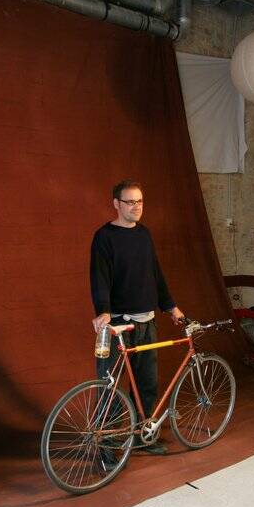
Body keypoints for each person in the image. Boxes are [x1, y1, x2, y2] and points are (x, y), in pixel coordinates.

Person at [90, 179, 184, 455]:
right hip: (118, 324)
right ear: (116, 204)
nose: (136, 207)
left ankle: (143, 437)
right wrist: (103, 310)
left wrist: (171, 307)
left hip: (146, 322)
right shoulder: (104, 237)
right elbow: (99, 277)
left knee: (147, 384)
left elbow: (155, 273)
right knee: (109, 386)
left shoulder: (144, 234)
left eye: (140, 201)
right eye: (130, 202)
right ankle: (106, 447)